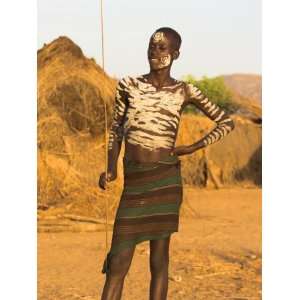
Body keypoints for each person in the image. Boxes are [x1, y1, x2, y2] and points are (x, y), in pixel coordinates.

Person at [98, 27, 235, 300]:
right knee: (118, 261)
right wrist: (111, 168)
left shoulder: (185, 90)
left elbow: (226, 121)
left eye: (161, 48)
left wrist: (194, 146)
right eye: (151, 45)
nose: (154, 51)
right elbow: (116, 129)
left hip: (166, 181)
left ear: (175, 54)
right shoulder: (129, 85)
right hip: (135, 182)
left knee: (159, 261)